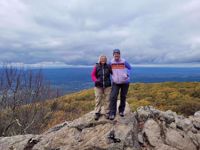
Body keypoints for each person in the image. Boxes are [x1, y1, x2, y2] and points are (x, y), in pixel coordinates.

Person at [109, 49, 131, 120]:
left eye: (118, 54)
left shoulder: (124, 61)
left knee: (123, 96)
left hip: (125, 82)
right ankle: (112, 113)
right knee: (113, 96)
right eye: (115, 54)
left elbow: (130, 68)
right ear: (113, 55)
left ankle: (121, 111)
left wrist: (127, 74)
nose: (116, 55)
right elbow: (108, 70)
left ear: (119, 55)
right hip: (116, 82)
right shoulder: (111, 62)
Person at [91, 55, 112, 120]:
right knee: (98, 99)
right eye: (102, 59)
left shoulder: (108, 66)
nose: (103, 60)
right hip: (98, 86)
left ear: (106, 60)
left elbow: (113, 73)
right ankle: (97, 113)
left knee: (108, 100)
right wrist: (96, 80)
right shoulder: (96, 66)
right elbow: (93, 75)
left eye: (104, 59)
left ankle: (107, 113)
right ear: (99, 60)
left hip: (107, 86)